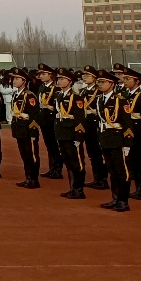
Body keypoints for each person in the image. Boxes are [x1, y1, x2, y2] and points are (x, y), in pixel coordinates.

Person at [92, 69, 133, 212]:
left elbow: (127, 124)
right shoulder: (99, 99)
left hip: (118, 139)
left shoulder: (120, 100)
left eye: (103, 82)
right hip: (105, 139)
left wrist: (127, 144)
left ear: (112, 84)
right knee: (112, 171)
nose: (99, 84)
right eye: (98, 82)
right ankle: (115, 198)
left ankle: (123, 201)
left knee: (122, 171)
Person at [119, 68, 141, 200]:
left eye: (128, 79)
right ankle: (138, 188)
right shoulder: (125, 96)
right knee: (133, 162)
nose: (125, 81)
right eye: (124, 79)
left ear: (137, 81)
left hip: (139, 134)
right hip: (129, 134)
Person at [53, 68, 86, 199]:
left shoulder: (76, 97)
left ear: (70, 81)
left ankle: (79, 189)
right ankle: (72, 188)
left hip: (72, 134)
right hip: (62, 132)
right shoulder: (59, 95)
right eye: (58, 79)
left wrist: (78, 136)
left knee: (76, 162)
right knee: (68, 162)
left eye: (62, 79)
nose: (59, 81)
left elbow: (80, 119)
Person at [8, 68, 41, 189]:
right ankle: (28, 177)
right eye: (14, 78)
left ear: (24, 81)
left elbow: (34, 115)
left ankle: (34, 179)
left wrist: (33, 131)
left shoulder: (29, 96)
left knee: (31, 154)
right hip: (19, 128)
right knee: (24, 155)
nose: (14, 81)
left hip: (28, 129)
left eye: (17, 79)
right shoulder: (16, 94)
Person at [33, 64, 64, 180]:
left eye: (43, 74)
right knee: (49, 145)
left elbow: (58, 106)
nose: (41, 76)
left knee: (55, 145)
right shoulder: (42, 87)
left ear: (50, 75)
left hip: (52, 120)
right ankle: (52, 168)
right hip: (44, 120)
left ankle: (58, 169)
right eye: (40, 74)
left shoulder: (56, 89)